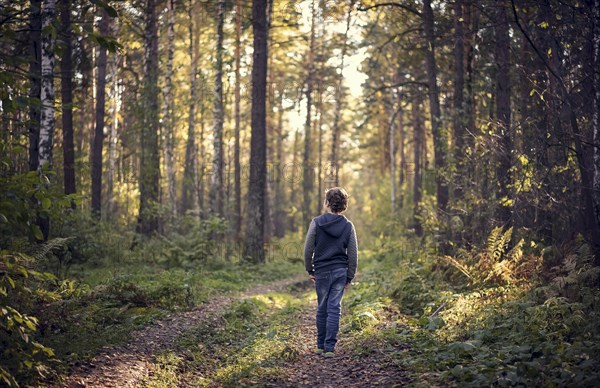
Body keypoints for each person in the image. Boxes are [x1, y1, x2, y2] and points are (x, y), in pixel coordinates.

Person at [304, 187, 358, 358]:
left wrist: (309, 269)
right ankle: (329, 348)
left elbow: (307, 249)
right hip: (340, 271)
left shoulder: (316, 222)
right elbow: (353, 254)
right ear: (344, 205)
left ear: (327, 203)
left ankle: (320, 346)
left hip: (321, 271)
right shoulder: (348, 226)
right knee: (334, 308)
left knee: (322, 307)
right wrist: (349, 276)